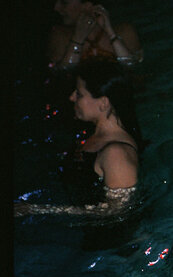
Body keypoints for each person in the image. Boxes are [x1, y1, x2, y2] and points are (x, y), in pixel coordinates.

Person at [15, 60, 142, 217]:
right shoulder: (96, 134)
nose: (72, 97)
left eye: (79, 94)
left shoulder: (117, 154)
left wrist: (37, 209)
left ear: (103, 103)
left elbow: (117, 212)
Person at [48, 1, 142, 68]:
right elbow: (63, 73)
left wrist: (110, 33)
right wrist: (78, 39)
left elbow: (133, 67)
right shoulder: (60, 36)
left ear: (88, 6)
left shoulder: (124, 31)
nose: (56, 8)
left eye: (64, 3)